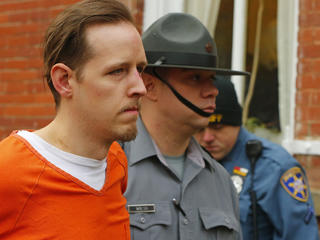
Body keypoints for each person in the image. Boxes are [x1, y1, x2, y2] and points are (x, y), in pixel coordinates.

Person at [0, 0, 147, 239]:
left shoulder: (116, 162)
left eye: (140, 69)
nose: (140, 88)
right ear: (64, 81)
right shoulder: (8, 171)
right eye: (117, 71)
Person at [121, 13, 249, 240]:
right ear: (149, 86)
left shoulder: (219, 180)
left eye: (212, 79)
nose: (213, 91)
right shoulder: (109, 168)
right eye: (195, 78)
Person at [196, 77, 320, 240]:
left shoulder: (274, 167)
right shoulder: (190, 159)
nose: (207, 137)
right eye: (199, 129)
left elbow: (300, 235)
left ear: (237, 124)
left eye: (217, 128)